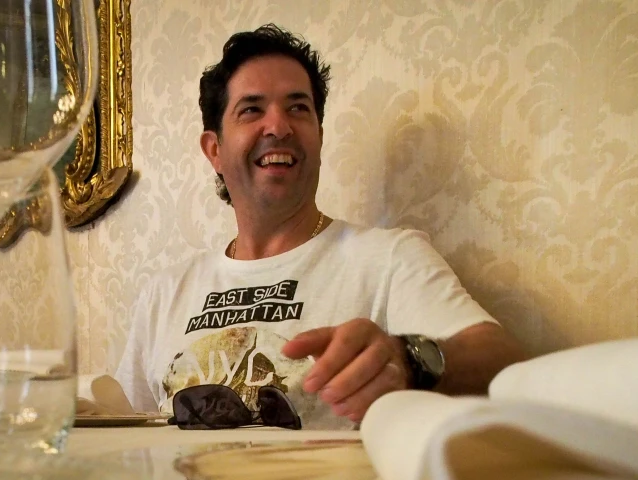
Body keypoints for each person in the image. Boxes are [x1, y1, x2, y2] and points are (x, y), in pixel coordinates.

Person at [115, 24, 525, 430]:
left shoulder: (389, 259)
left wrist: (409, 360)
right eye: (252, 109)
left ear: (320, 136)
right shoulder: (164, 293)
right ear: (215, 150)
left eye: (298, 108)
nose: (279, 127)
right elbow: (126, 431)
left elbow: (505, 361)